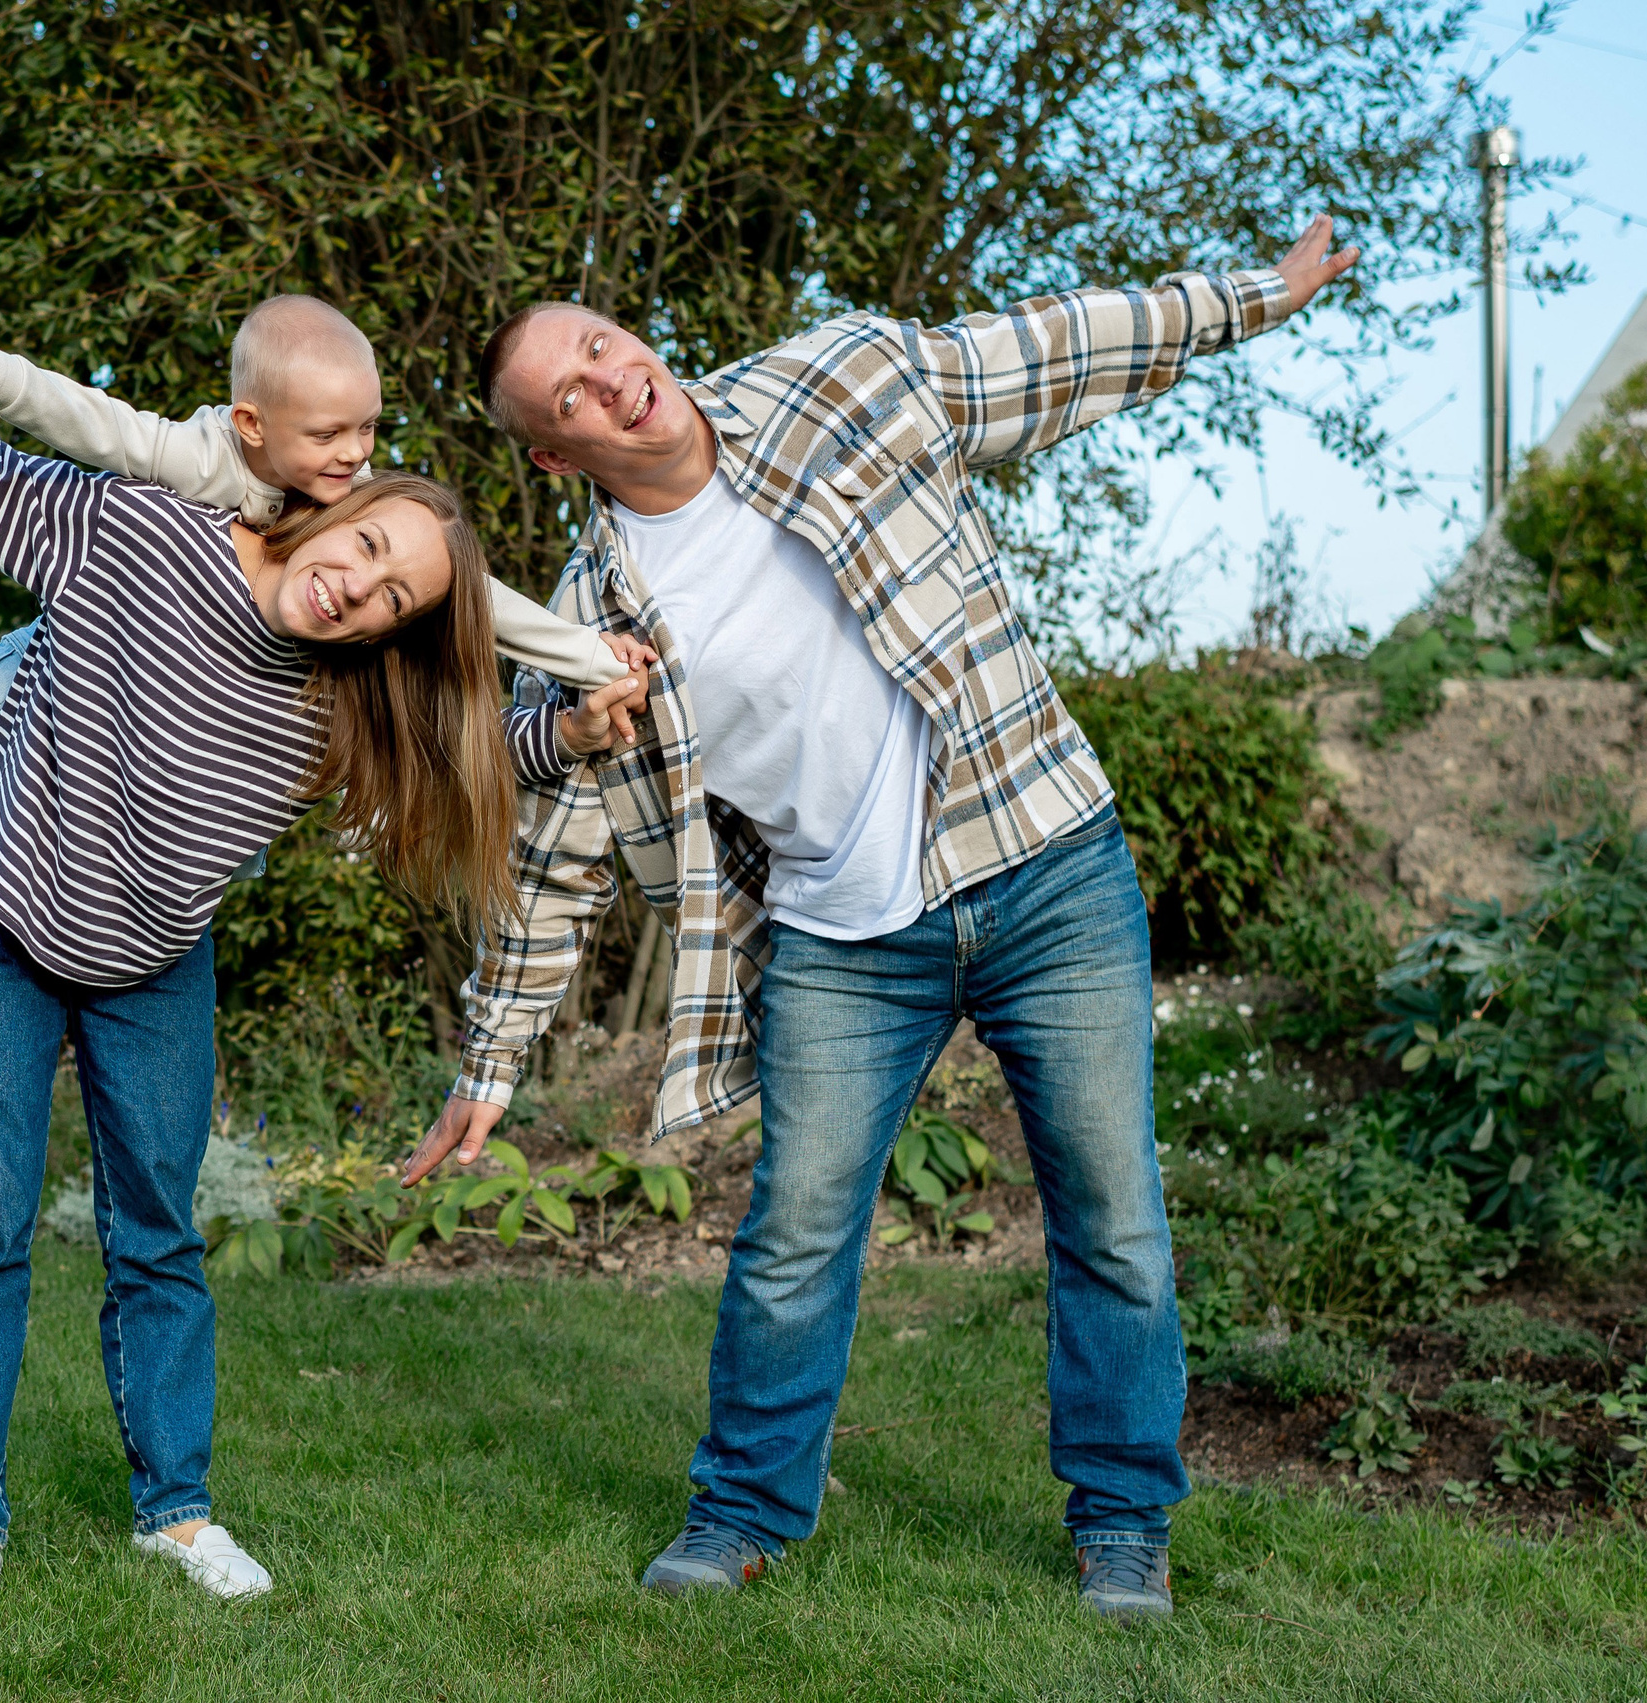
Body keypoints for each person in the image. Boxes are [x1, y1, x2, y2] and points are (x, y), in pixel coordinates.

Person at [405, 217, 1364, 1619]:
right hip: (844, 939)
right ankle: (739, 1512)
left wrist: (1258, 296)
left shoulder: (840, 380)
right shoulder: (591, 615)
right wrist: (490, 1064)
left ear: (634, 337)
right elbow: (556, 854)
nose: (610, 382)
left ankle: (1122, 1525)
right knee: (794, 1232)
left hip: (1042, 858)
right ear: (555, 455)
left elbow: (1062, 347)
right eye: (568, 395)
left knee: (1112, 1217)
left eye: (604, 345)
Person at [0, 310, 522, 1614]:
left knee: (158, 1236)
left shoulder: (340, 694)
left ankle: (177, 1511)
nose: (363, 589)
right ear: (333, 501)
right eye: (370, 547)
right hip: (7, 906)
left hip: (154, 960)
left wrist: (592, 722)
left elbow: (479, 740)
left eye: (397, 599)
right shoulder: (141, 527)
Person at [0, 292, 655, 768]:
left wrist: (590, 656)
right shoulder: (200, 458)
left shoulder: (350, 497)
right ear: (252, 424)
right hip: (87, 660)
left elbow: (473, 597)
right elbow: (84, 420)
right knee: (11, 700)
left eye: (369, 429)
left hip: (197, 739)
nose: (355, 454)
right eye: (330, 435)